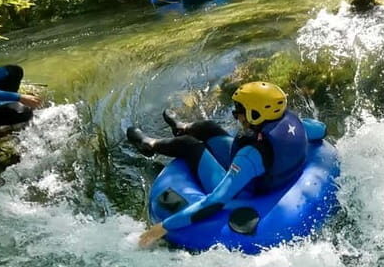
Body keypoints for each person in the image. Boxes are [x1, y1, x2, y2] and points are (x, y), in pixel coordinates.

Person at [127, 81, 327, 247]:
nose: (235, 114)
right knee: (209, 128)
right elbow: (321, 130)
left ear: (255, 115)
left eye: (238, 110)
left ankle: (150, 144)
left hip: (245, 190)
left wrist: (164, 226)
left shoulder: (250, 156)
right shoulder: (295, 124)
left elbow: (215, 201)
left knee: (190, 146)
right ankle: (182, 127)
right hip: (269, 173)